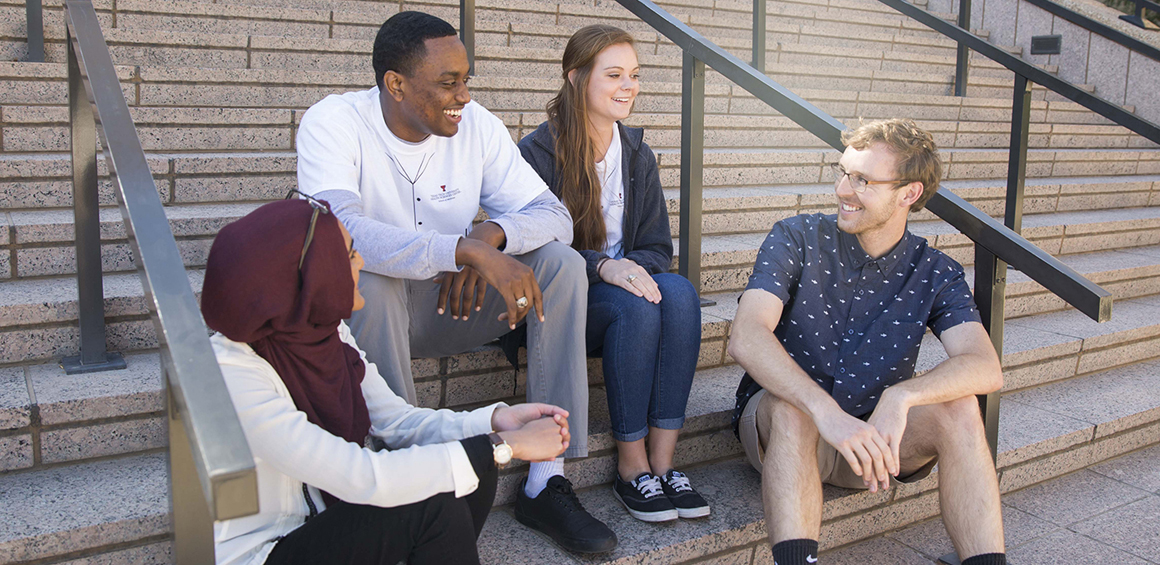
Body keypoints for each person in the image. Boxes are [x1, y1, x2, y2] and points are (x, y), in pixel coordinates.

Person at [293, 11, 617, 553]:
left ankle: (547, 479)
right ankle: (399, 472)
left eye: (466, 79)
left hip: (455, 308)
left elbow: (554, 214)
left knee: (560, 261)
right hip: (371, 318)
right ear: (395, 84)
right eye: (449, 82)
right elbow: (340, 230)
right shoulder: (334, 122)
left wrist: (490, 236)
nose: (463, 95)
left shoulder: (478, 125)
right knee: (366, 277)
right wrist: (457, 249)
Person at [202, 197, 573, 565]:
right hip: (268, 552)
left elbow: (398, 420)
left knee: (469, 469)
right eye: (348, 256)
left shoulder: (325, 336)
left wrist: (494, 421)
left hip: (327, 522)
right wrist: (501, 446)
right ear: (310, 277)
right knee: (438, 496)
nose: (362, 262)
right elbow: (359, 475)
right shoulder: (234, 374)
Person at [728, 119, 1007, 565]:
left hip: (874, 442)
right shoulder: (797, 237)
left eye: (863, 180)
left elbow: (984, 366)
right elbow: (745, 335)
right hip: (788, 433)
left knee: (960, 408)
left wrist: (902, 396)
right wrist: (826, 412)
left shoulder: (935, 270)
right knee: (791, 410)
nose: (843, 189)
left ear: (909, 194)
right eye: (842, 172)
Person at [517, 25, 709, 524]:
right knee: (636, 307)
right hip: (565, 299)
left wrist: (630, 269)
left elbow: (656, 248)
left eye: (635, 75)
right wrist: (604, 265)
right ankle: (631, 466)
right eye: (615, 75)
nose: (629, 86)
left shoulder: (637, 152)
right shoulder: (538, 152)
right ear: (576, 77)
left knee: (682, 294)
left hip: (621, 287)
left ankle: (665, 463)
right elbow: (533, 249)